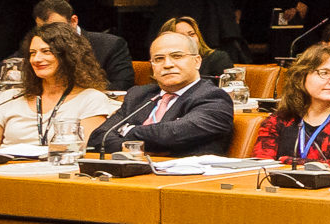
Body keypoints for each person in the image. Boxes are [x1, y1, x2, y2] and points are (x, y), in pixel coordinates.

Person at [87, 30, 234, 156]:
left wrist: (127, 131)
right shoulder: (138, 95)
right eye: (159, 59)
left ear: (197, 61)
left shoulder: (214, 98)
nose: (168, 64)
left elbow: (172, 135)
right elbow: (99, 139)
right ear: (152, 66)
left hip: (182, 182)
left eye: (177, 56)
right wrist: (144, 149)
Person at [252, 44, 330, 167]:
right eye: (324, 73)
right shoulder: (278, 120)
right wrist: (326, 163)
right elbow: (262, 166)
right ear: (301, 77)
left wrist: (285, 161)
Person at [32, 0, 131, 93]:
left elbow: (121, 86)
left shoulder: (110, 45)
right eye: (42, 29)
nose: (48, 34)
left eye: (56, 27)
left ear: (74, 21)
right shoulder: (34, 47)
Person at [153, 15, 234, 81]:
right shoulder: (162, 62)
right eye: (182, 36)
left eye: (192, 34)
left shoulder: (218, 58)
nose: (190, 39)